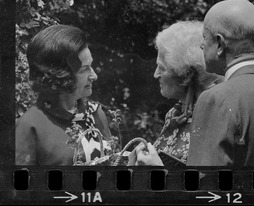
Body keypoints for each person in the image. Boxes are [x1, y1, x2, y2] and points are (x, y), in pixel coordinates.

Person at [186, 0, 254, 166]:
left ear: (219, 43)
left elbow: (204, 186)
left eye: (204, 37)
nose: (202, 45)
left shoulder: (216, 99)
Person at [129, 21, 223, 166]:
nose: (155, 74)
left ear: (186, 74)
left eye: (162, 68)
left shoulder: (214, 117)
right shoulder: (175, 114)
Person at [16, 24, 112, 165]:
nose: (94, 76)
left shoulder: (96, 114)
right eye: (84, 69)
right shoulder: (30, 126)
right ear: (61, 77)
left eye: (91, 66)